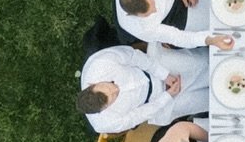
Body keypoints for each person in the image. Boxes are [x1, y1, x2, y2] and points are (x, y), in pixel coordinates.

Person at [77, 42, 209, 133]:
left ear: (92, 84)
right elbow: (140, 114)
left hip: (153, 67)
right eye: (114, 97)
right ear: (104, 110)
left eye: (109, 84)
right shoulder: (106, 123)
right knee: (207, 100)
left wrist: (164, 75)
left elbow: (134, 57)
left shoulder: (100, 63)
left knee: (204, 63)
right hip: (157, 103)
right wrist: (167, 96)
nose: (116, 89)